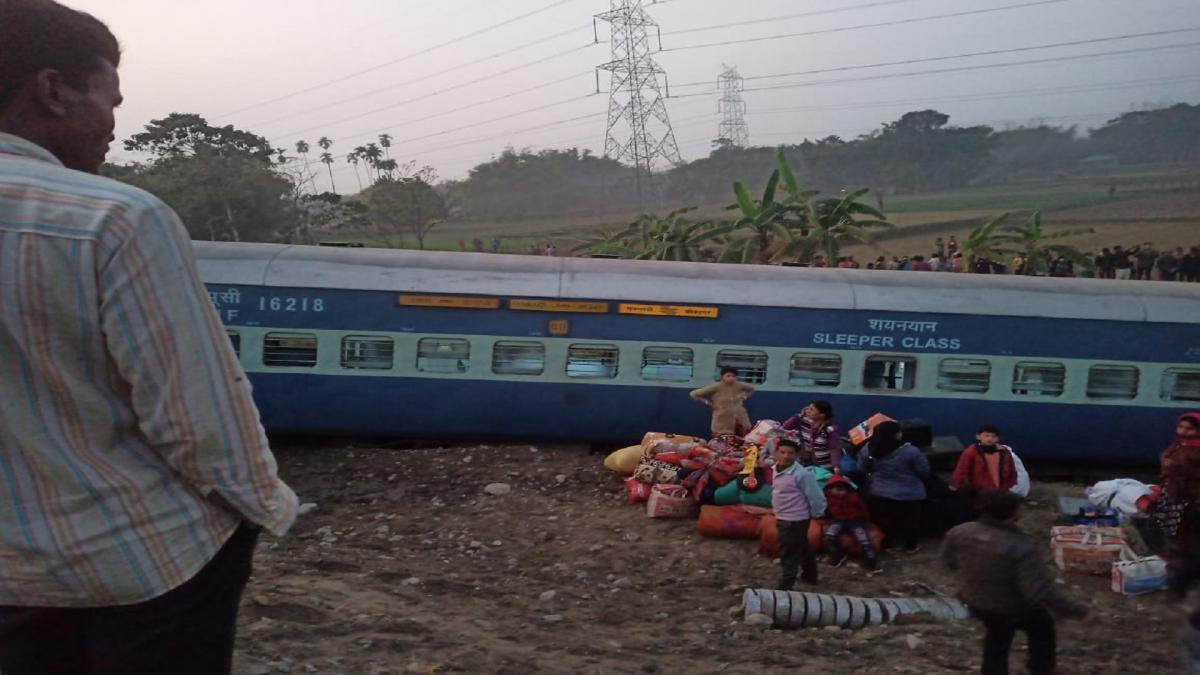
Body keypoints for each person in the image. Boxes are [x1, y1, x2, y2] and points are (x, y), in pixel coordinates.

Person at [0, 2, 299, 674]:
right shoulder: (114, 219)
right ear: (53, 89)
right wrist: (262, 508)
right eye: (110, 100)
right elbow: (199, 421)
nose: (112, 125)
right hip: (140, 563)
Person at [943, 491, 1088, 675]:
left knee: (997, 636)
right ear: (1014, 513)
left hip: (975, 600)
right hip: (1009, 608)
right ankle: (1041, 668)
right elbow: (1039, 591)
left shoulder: (960, 531)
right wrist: (1074, 610)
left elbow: (949, 562)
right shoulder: (1020, 546)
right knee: (1041, 627)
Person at [858, 421, 929, 553]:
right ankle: (910, 547)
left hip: (879, 492)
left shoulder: (868, 449)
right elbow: (924, 472)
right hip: (910, 495)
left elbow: (861, 468)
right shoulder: (911, 451)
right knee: (910, 522)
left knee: (885, 521)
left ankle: (886, 544)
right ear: (896, 435)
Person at [772, 439, 827, 589]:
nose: (786, 456)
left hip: (794, 519)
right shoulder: (775, 469)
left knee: (788, 552)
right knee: (802, 546)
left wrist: (817, 513)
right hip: (782, 515)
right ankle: (810, 576)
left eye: (790, 453)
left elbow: (816, 496)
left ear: (797, 455)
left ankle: (786, 585)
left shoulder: (802, 475)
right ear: (776, 453)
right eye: (782, 452)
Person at [822, 475, 880, 573]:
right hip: (838, 520)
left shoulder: (853, 498)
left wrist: (866, 521)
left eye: (842, 489)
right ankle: (838, 555)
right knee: (829, 536)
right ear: (831, 489)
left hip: (855, 521)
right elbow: (826, 509)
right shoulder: (828, 497)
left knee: (864, 540)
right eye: (837, 489)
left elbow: (863, 509)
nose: (840, 492)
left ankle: (871, 562)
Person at [950, 426, 1019, 498]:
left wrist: (1011, 483)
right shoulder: (970, 452)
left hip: (1001, 490)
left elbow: (1011, 468)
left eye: (993, 436)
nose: (990, 439)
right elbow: (961, 470)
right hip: (979, 492)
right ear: (978, 437)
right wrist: (954, 485)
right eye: (986, 436)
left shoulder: (1004, 452)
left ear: (998, 438)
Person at [690, 366, 755, 437]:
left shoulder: (739, 385)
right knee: (723, 444)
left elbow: (751, 389)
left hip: (741, 420)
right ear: (722, 377)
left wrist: (744, 396)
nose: (731, 378)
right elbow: (694, 394)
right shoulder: (716, 386)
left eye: (734, 376)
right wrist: (708, 403)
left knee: (746, 442)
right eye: (728, 376)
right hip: (722, 422)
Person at [781, 400, 841, 472]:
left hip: (824, 467)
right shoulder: (805, 421)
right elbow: (785, 427)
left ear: (822, 415)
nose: (808, 411)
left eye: (811, 409)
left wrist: (836, 466)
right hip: (807, 463)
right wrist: (800, 415)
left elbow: (833, 449)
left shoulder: (830, 430)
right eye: (808, 408)